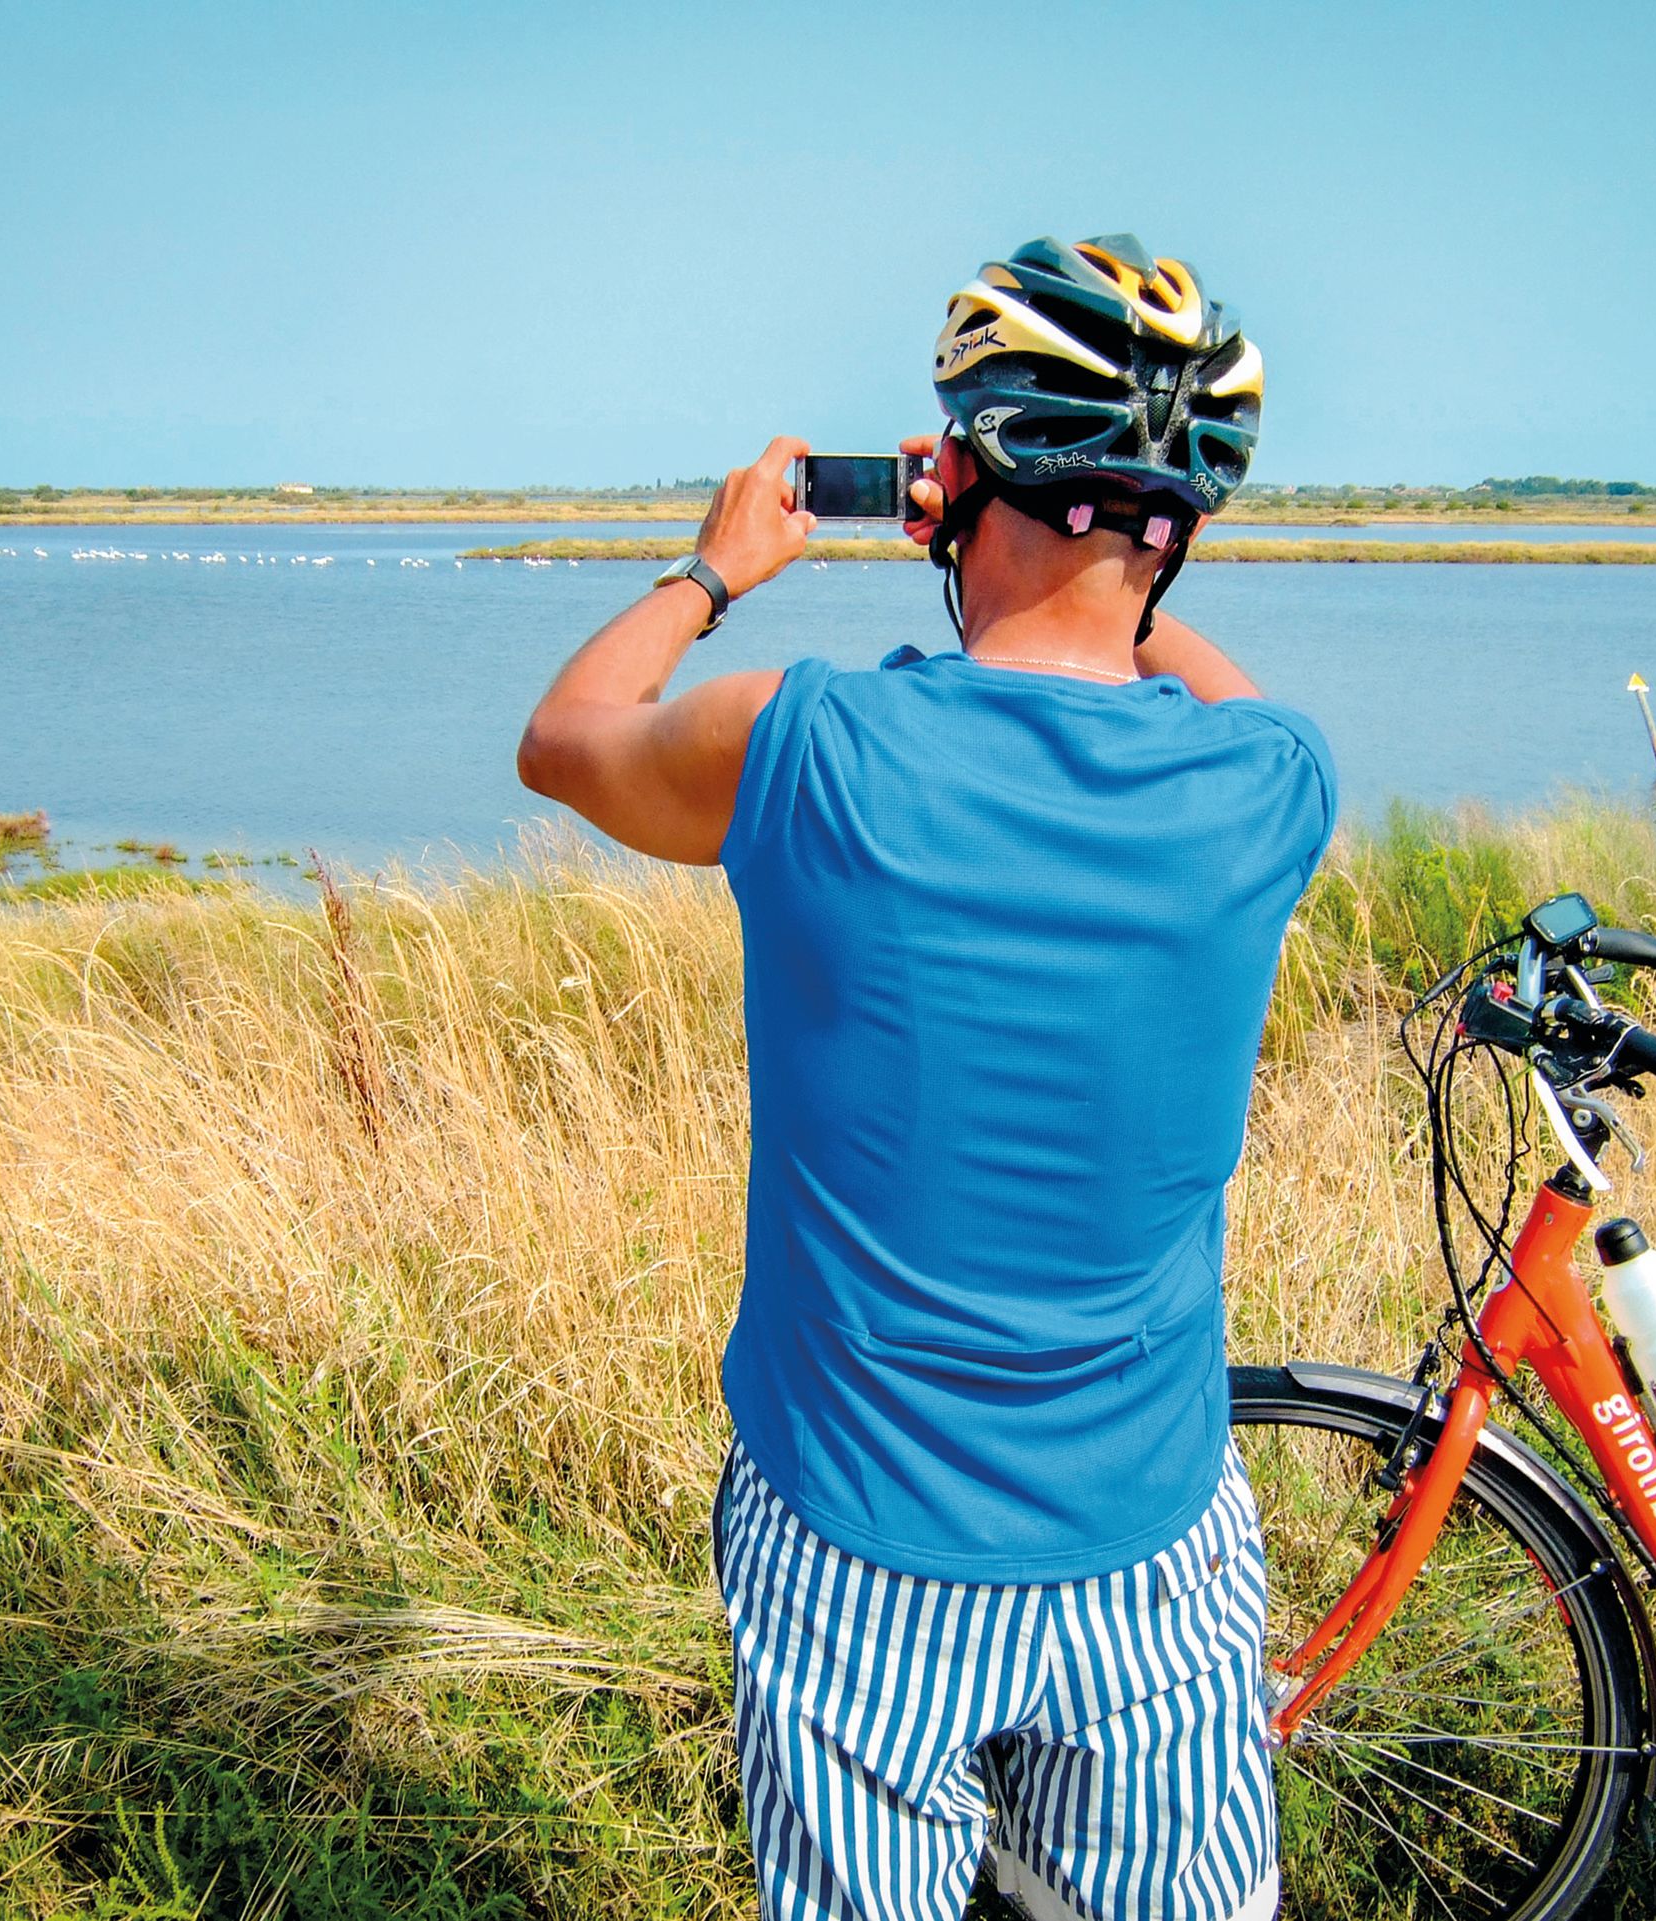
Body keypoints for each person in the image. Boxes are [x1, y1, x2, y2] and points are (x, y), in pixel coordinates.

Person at [517, 235, 1335, 1921]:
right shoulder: (1267, 790)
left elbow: (567, 733)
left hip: (853, 1539)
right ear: (1185, 522)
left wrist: (718, 567)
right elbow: (1198, 677)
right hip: (1149, 1551)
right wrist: (1117, 556)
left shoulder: (806, 744)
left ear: (955, 475)